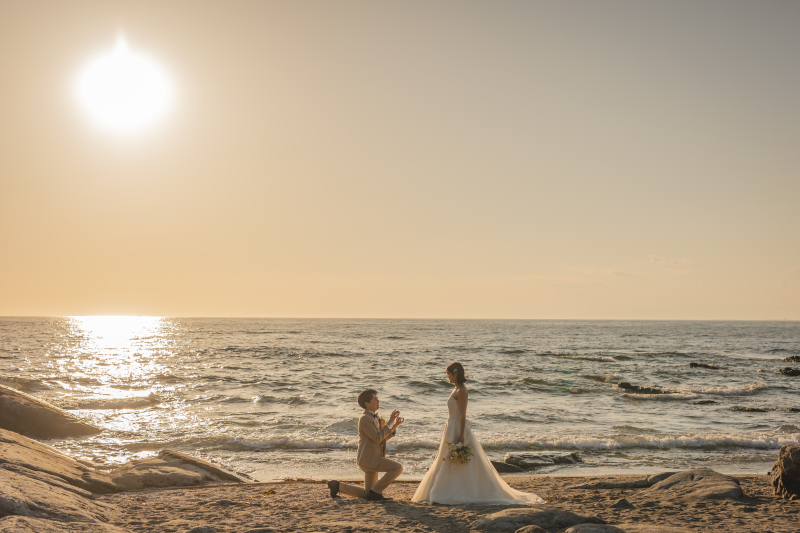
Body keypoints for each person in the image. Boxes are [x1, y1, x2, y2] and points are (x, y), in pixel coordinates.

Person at [411, 362, 544, 505]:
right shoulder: (455, 389)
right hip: (450, 427)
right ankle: (443, 490)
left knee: (454, 459)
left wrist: (461, 434)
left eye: (448, 374)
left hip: (457, 428)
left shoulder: (462, 390)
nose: (447, 377)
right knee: (446, 458)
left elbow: (462, 414)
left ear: (455, 374)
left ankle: (445, 491)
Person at [327, 388, 404, 501]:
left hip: (372, 458)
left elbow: (382, 438)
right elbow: (377, 438)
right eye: (375, 399)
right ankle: (376, 492)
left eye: (377, 398)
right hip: (370, 460)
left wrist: (394, 426)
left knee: (367, 494)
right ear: (367, 403)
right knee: (398, 468)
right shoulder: (365, 418)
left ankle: (337, 486)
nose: (378, 401)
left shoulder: (375, 417)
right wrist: (389, 422)